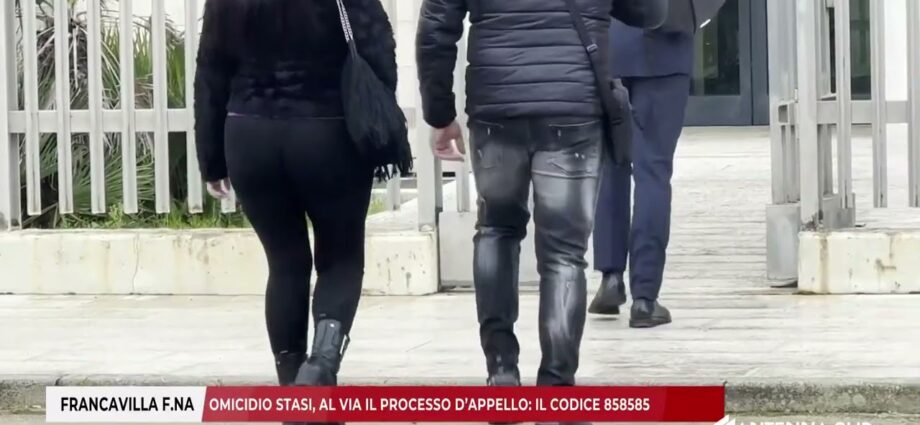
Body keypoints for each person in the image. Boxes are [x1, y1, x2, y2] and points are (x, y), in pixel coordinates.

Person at [416, 0, 667, 396]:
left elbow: (435, 26)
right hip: (573, 106)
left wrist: (440, 113)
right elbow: (650, 13)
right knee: (564, 253)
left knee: (496, 231)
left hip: (496, 105)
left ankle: (501, 371)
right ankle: (556, 388)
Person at [194, 0, 399, 391]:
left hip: (249, 134)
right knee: (340, 260)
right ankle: (320, 366)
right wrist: (378, 120)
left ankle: (294, 394)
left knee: (285, 263)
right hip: (328, 132)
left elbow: (210, 69)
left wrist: (212, 159)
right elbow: (377, 45)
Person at [589, 19, 696, 327]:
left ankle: (611, 278)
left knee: (611, 163)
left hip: (610, 48)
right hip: (667, 50)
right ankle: (645, 298)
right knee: (654, 171)